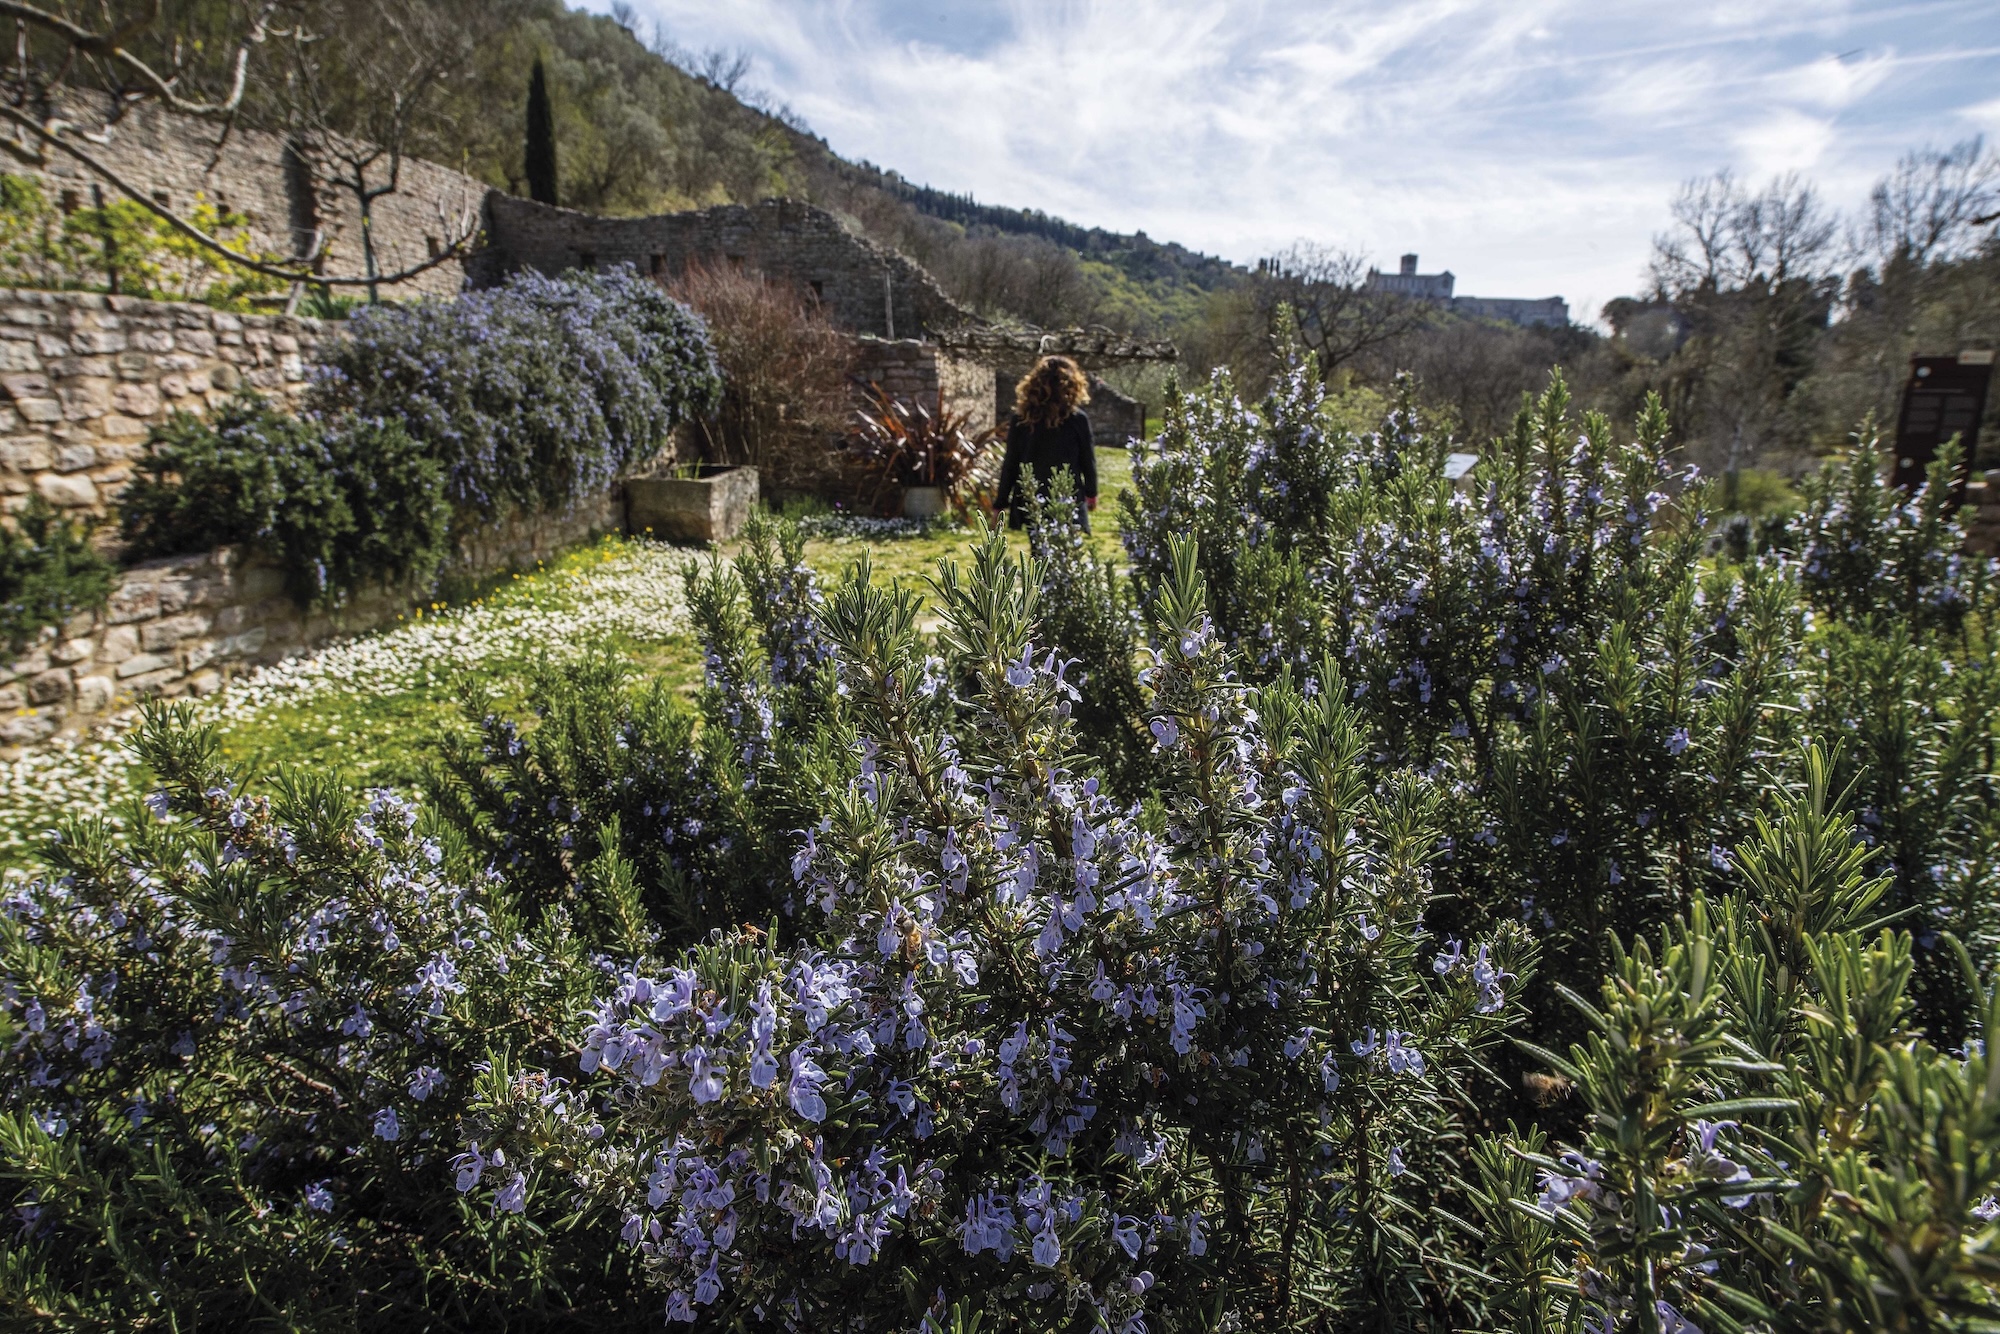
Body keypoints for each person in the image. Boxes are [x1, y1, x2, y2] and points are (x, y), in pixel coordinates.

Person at [994, 355, 1096, 531]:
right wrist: (1091, 493)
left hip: (1033, 495)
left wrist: (1000, 503)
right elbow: (1088, 460)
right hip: (1067, 495)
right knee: (1067, 551)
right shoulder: (1077, 419)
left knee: (1039, 551)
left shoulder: (1022, 420)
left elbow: (1011, 463)